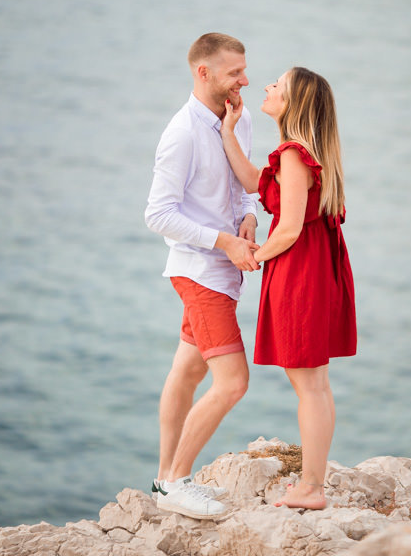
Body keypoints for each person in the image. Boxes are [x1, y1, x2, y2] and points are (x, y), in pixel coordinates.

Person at [220, 66, 357, 509]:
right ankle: (314, 483)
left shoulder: (294, 155)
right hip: (314, 268)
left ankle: (312, 488)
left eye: (277, 84)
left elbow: (290, 228)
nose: (267, 86)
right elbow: (253, 181)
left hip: (300, 273)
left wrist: (253, 255)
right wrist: (229, 132)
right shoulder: (299, 154)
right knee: (317, 384)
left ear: (293, 102)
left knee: (309, 386)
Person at [144, 33, 260, 519]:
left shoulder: (239, 118)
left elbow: (243, 185)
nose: (245, 80)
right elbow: (158, 214)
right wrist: (225, 242)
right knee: (233, 383)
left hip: (222, 272)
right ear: (203, 72)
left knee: (188, 371)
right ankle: (175, 483)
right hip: (201, 273)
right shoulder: (182, 133)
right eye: (235, 72)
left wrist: (249, 216)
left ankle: (163, 478)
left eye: (245, 70)